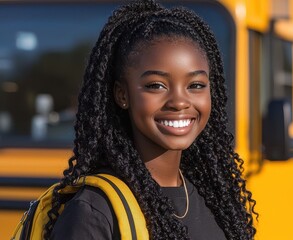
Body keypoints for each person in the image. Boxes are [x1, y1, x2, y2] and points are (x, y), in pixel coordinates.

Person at [43, 1, 257, 239]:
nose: (179, 101)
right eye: (156, 85)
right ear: (122, 94)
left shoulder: (216, 200)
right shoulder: (94, 211)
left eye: (195, 85)